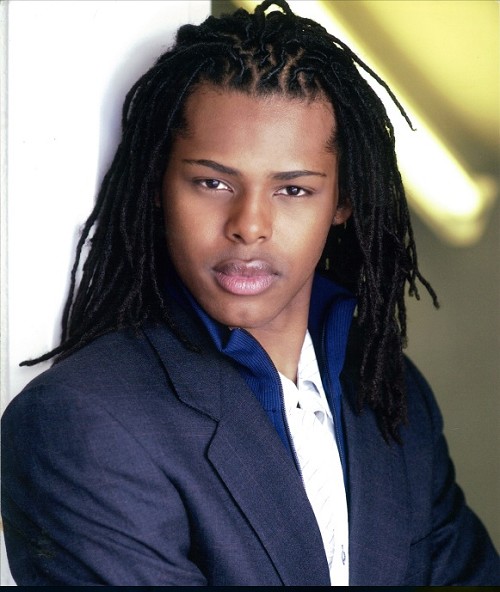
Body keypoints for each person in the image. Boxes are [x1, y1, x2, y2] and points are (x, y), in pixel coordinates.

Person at [1, 0, 498, 586]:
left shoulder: (390, 392)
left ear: (343, 201)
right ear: (158, 184)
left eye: (293, 190)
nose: (250, 225)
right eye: (213, 182)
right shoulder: (84, 422)